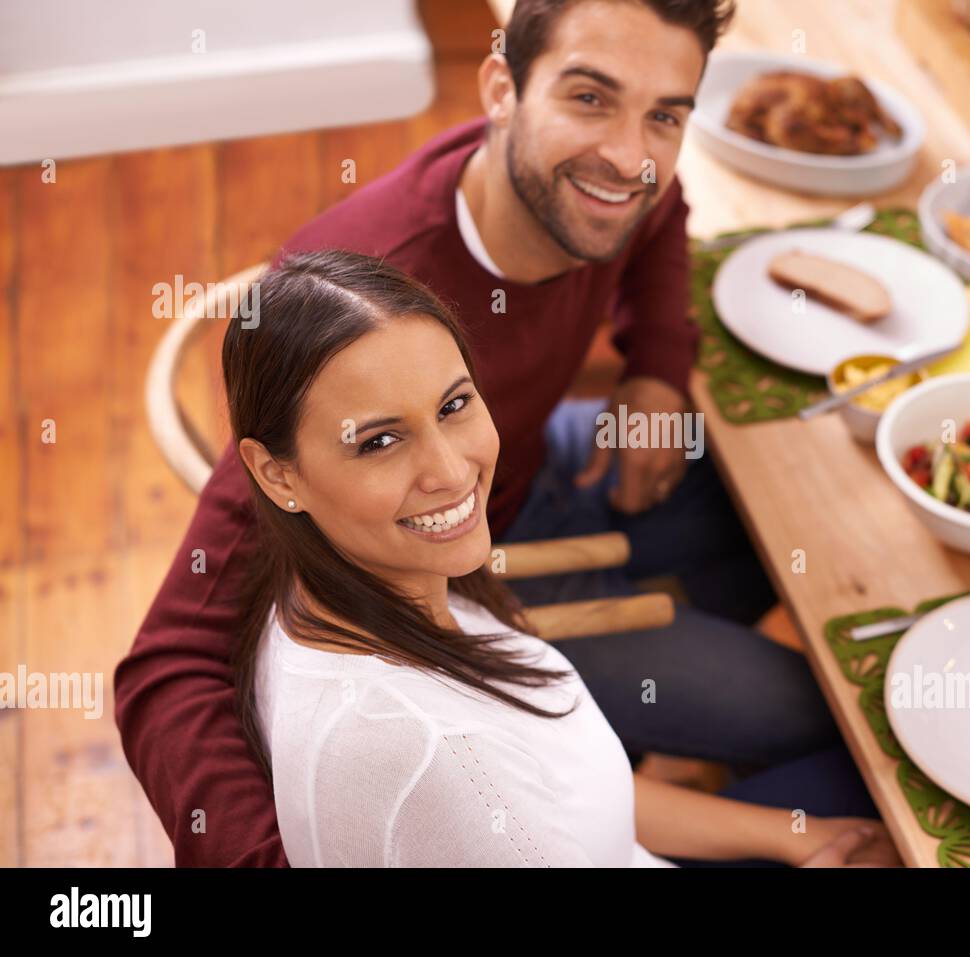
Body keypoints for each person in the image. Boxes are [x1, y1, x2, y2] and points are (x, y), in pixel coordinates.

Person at [115, 0, 844, 866]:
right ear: (501, 87)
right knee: (823, 711)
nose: (628, 156)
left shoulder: (608, 183)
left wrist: (656, 369)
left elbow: (662, 207)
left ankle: (634, 768)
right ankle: (627, 766)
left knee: (798, 509)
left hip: (527, 472)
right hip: (450, 568)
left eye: (664, 116)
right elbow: (168, 668)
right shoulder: (384, 293)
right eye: (589, 99)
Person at [230, 250, 897, 866]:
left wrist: (798, 834)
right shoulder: (436, 759)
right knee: (888, 767)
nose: (450, 469)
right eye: (379, 441)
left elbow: (580, 797)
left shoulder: (338, 582)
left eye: (454, 404)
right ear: (276, 473)